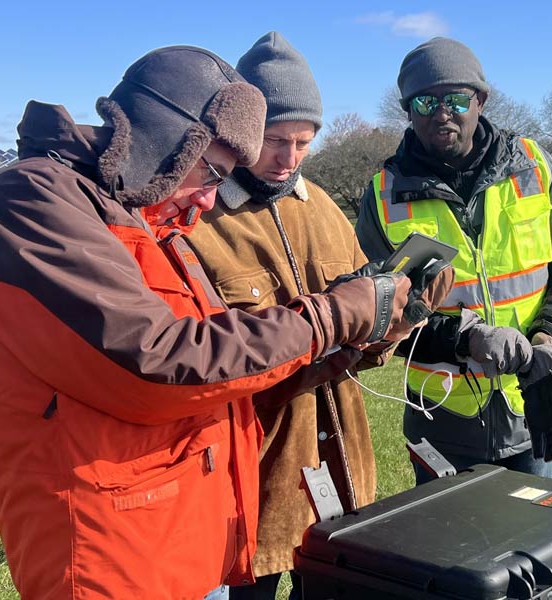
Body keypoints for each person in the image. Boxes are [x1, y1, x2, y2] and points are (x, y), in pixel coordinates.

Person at [0, 46, 452, 600]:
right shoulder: (30, 203)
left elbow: (224, 387)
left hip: (181, 544)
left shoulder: (139, 216)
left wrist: (358, 343)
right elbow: (161, 363)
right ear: (168, 134)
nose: (210, 200)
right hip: (108, 561)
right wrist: (334, 314)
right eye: (210, 170)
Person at [173, 33, 379, 600]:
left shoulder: (327, 210)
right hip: (252, 470)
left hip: (340, 467)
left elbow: (364, 317)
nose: (288, 159)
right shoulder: (196, 215)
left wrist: (391, 317)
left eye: (303, 142)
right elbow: (199, 357)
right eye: (274, 140)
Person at [355, 37, 552, 484]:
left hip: (531, 410)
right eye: (426, 100)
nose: (441, 112)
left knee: (540, 545)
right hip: (440, 423)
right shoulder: (382, 194)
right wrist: (462, 340)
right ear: (407, 109)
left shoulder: (533, 166)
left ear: (481, 101)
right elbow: (372, 316)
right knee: (448, 550)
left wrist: (550, 336)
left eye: (456, 99)